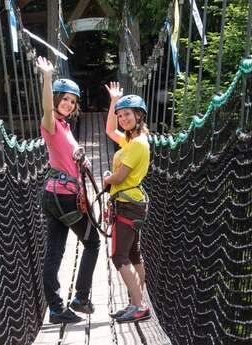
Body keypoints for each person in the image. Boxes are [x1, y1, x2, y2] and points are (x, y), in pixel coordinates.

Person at [36, 56, 100, 324]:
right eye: (65, 99)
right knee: (93, 243)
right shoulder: (50, 124)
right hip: (63, 196)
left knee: (54, 253)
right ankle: (81, 297)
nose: (68, 104)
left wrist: (81, 161)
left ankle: (56, 309)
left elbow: (67, 157)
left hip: (55, 196)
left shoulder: (65, 128)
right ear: (57, 98)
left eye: (73, 102)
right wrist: (47, 77)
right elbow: (47, 109)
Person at [103, 82, 151, 323]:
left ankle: (139, 305)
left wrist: (106, 179)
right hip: (133, 202)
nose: (122, 119)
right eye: (120, 115)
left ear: (139, 115)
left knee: (119, 256)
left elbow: (119, 177)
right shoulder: (133, 141)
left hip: (128, 203)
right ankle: (136, 302)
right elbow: (110, 131)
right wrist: (114, 101)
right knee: (133, 255)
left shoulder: (137, 144)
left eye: (127, 114)